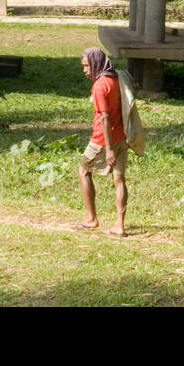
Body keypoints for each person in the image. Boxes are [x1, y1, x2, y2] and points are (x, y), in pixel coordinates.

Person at [76, 46, 128, 237]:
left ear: (95, 64)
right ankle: (119, 225)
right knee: (119, 179)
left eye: (86, 66)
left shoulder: (99, 86)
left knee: (84, 171)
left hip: (102, 139)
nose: (85, 70)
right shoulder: (115, 79)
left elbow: (105, 118)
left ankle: (91, 219)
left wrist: (107, 149)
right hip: (122, 137)